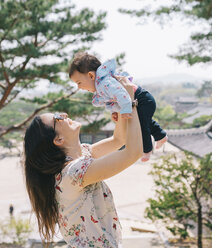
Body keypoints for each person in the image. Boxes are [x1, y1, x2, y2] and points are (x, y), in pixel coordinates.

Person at [23, 76, 142, 248]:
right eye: (58, 118)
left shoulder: (83, 154)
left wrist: (122, 111)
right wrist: (129, 101)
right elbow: (133, 153)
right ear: (58, 140)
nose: (64, 114)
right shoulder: (73, 173)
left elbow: (119, 140)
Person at [68, 52, 168, 162]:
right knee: (145, 121)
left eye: (79, 82)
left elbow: (122, 94)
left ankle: (147, 150)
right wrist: (115, 112)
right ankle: (161, 136)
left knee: (142, 125)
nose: (79, 87)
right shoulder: (101, 86)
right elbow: (113, 101)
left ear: (91, 76)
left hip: (142, 99)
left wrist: (125, 109)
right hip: (141, 98)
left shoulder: (105, 83)